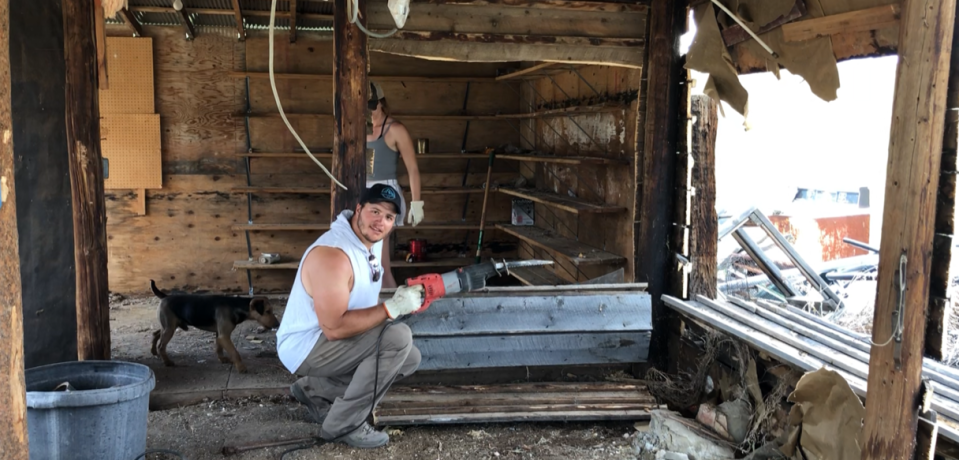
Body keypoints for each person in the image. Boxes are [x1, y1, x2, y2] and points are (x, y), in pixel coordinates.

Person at [276, 183, 427, 448]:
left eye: (389, 217)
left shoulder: (371, 242)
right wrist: (390, 308)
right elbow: (334, 327)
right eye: (375, 211)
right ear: (359, 209)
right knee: (399, 338)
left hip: (334, 339)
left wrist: (403, 300)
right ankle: (343, 424)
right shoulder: (333, 255)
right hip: (308, 345)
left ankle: (314, 390)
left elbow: (362, 298)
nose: (380, 222)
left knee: (409, 358)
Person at [366, 81, 424, 288]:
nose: (369, 111)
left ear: (381, 102)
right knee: (365, 260)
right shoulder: (357, 128)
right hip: (364, 194)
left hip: (386, 194)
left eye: (372, 106)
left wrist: (417, 202)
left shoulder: (395, 129)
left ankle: (390, 307)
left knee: (381, 262)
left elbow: (413, 168)